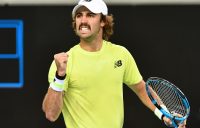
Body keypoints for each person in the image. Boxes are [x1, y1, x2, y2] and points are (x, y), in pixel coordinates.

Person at [42, 0, 186, 128]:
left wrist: (163, 114)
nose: (83, 20)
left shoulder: (121, 54)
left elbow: (142, 89)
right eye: (79, 16)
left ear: (103, 21)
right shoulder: (63, 63)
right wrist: (59, 77)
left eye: (90, 15)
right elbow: (50, 114)